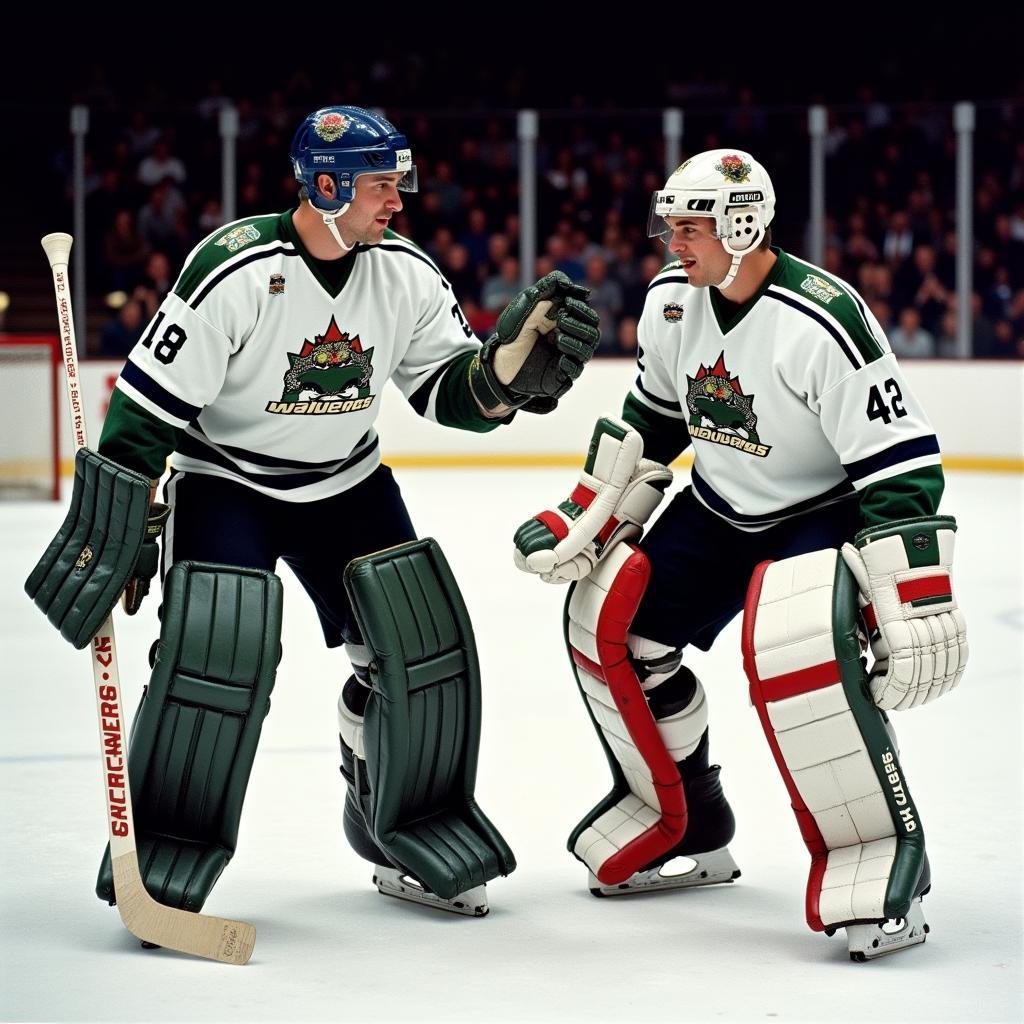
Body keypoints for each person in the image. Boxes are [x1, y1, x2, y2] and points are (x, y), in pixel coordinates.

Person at [35, 105, 599, 921]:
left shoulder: (402, 271)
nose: (397, 202)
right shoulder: (231, 268)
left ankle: (395, 822)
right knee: (216, 653)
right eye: (381, 186)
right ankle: (169, 843)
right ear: (326, 184)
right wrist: (120, 512)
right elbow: (147, 408)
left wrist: (504, 379)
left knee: (415, 650)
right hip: (227, 479)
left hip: (348, 481)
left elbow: (447, 389)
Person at [513, 149, 967, 960]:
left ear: (743, 224)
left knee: (800, 664)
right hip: (719, 507)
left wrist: (908, 590)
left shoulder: (822, 319)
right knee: (610, 628)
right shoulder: (671, 302)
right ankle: (680, 816)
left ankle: (881, 850)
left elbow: (901, 466)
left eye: (691, 227)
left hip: (814, 514)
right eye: (673, 226)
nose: (673, 243)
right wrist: (595, 506)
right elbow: (656, 417)